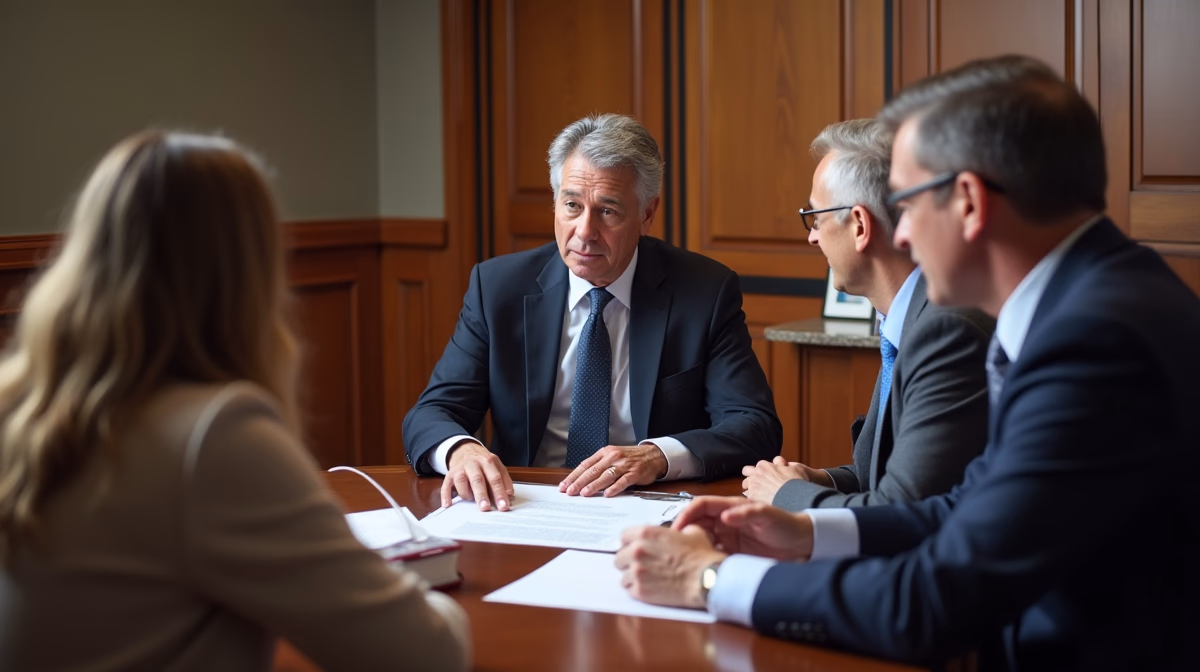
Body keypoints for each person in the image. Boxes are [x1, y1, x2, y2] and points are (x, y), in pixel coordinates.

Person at [616, 55, 1200, 670]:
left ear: (969, 203)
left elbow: (936, 601)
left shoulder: (1094, 343)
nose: (901, 235)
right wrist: (806, 531)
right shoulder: (1094, 296)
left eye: (909, 201)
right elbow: (970, 506)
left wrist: (710, 581)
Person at [0, 131, 470, 671]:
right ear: (247, 269)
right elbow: (426, 654)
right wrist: (395, 583)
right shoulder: (214, 437)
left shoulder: (18, 401)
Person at [403, 113, 781, 510]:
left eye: (607, 211)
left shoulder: (704, 292)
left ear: (647, 214)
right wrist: (460, 450)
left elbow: (754, 426)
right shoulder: (498, 288)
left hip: (645, 503)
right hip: (523, 503)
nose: (584, 231)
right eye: (571, 205)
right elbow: (433, 411)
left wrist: (656, 456)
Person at [742, 119, 993, 510]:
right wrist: (815, 479)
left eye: (816, 218)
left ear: (859, 224)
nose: (812, 236)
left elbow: (899, 510)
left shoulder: (946, 329)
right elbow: (883, 477)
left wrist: (786, 494)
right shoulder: (908, 317)